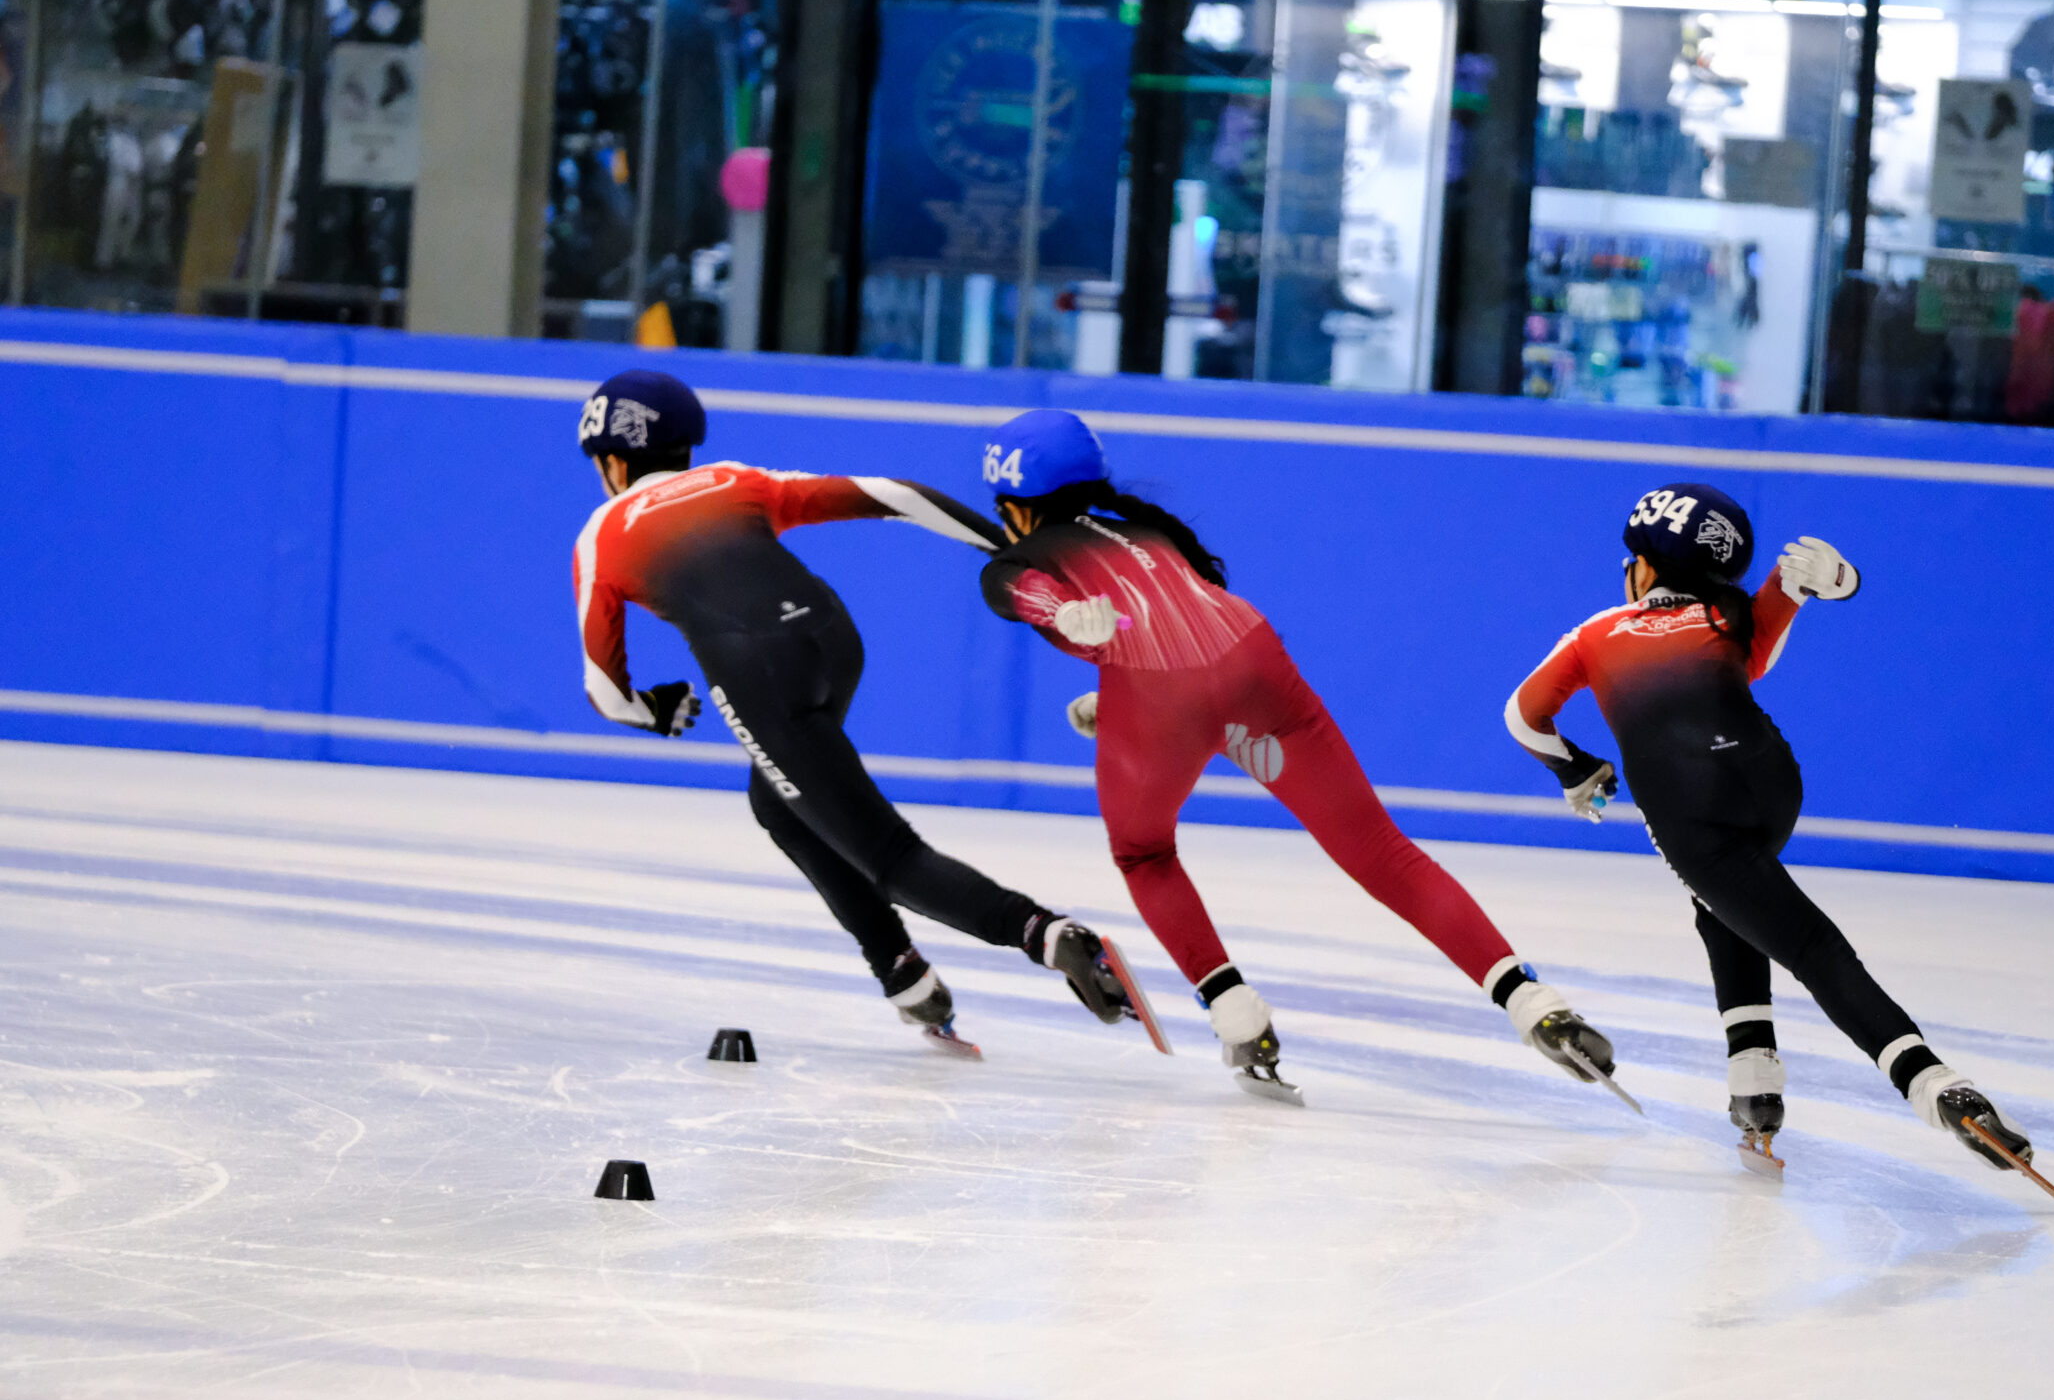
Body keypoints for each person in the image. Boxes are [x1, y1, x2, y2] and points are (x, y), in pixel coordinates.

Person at [973, 408, 1623, 1106]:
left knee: (1145, 854)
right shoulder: (1151, 531)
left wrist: (1060, 615)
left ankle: (1235, 1012)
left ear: (1015, 508)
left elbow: (1010, 588)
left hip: (1162, 698)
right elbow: (1180, 633)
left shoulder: (1025, 556)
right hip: (1253, 662)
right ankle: (1532, 1001)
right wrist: (1115, 698)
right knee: (1383, 851)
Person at [571, 369, 1129, 1053]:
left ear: (613, 462)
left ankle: (1047, 934)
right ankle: (902, 974)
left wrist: (654, 710)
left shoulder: (602, 532)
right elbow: (895, 496)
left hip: (761, 673)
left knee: (888, 855)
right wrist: (1013, 552)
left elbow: (606, 692)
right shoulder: (732, 480)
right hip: (834, 640)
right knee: (780, 802)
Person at [1504, 481, 2042, 1182]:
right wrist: (1836, 578)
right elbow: (1810, 582)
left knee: (1810, 945)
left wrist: (1576, 769)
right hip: (1772, 783)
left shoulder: (1597, 632)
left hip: (1693, 811)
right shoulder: (1725, 615)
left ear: (1647, 566)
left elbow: (1522, 716)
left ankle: (1935, 1085)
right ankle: (1753, 1080)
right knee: (1727, 903)